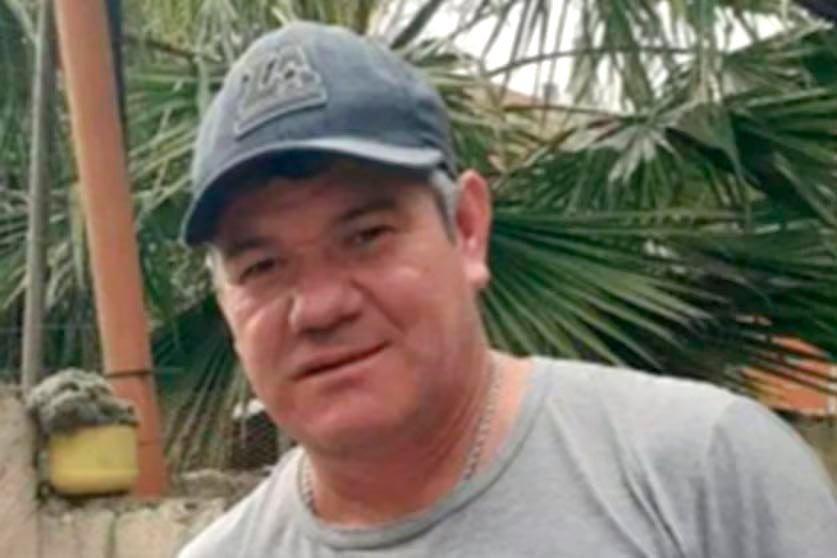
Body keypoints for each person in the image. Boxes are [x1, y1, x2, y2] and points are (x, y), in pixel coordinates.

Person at [177, 21, 836, 558]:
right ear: (227, 306)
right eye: (261, 266)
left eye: (366, 235)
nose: (320, 307)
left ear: (466, 229)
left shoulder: (704, 475)